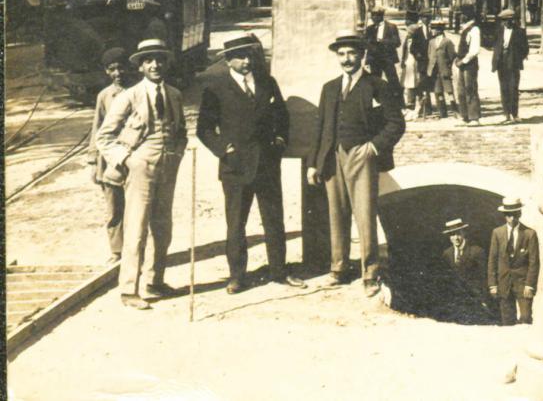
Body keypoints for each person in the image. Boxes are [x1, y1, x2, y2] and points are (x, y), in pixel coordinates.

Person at [196, 36, 305, 294]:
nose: (247, 61)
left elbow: (282, 115)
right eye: (241, 56)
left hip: (267, 163)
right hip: (235, 167)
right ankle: (236, 276)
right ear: (228, 60)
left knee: (274, 219)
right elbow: (204, 129)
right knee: (236, 223)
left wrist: (279, 140)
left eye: (250, 56)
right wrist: (225, 149)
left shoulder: (267, 83)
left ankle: (279, 271)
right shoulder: (216, 88)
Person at [307, 33, 405, 296]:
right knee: (336, 213)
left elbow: (396, 123)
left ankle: (370, 273)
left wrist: (373, 147)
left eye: (351, 53)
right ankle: (338, 268)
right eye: (341, 54)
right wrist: (313, 163)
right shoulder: (329, 88)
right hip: (332, 157)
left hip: (362, 156)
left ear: (361, 56)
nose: (346, 59)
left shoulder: (377, 86)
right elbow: (320, 127)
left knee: (364, 214)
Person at [97, 38, 187, 309]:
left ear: (166, 63)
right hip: (139, 166)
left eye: (159, 59)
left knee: (163, 227)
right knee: (136, 228)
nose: (155, 65)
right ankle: (128, 290)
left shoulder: (174, 94)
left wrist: (178, 154)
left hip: (167, 166)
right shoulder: (129, 96)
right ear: (141, 66)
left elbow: (181, 131)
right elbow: (104, 136)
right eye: (149, 60)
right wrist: (127, 160)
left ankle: (155, 281)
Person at [87, 46, 132, 263]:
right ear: (106, 71)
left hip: (134, 156)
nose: (117, 73)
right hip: (110, 159)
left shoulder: (138, 91)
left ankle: (139, 250)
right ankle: (117, 250)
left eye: (121, 67)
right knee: (114, 207)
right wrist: (93, 161)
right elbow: (97, 128)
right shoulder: (104, 96)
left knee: (139, 206)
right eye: (112, 69)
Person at [487, 197, 540, 325]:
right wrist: (493, 284)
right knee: (507, 320)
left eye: (515, 214)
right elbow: (492, 260)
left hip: (523, 284)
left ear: (520, 214)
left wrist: (530, 285)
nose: (512, 218)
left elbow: (534, 262)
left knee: (526, 318)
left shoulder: (529, 234)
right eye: (508, 215)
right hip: (504, 283)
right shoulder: (497, 233)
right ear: (504, 215)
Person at [492, 7, 530, 124]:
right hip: (501, 62)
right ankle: (506, 114)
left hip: (513, 63)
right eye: (504, 20)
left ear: (512, 20)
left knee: (513, 88)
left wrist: (517, 58)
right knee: (503, 89)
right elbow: (494, 45)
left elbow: (525, 49)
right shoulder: (498, 31)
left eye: (508, 20)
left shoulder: (520, 32)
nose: (506, 23)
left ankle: (515, 114)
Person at [441, 218, 486, 302]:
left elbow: (483, 277)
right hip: (454, 299)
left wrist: (481, 298)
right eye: (452, 235)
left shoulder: (476, 251)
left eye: (458, 234)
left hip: (474, 298)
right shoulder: (447, 253)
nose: (456, 238)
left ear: (464, 233)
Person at [364, 6, 401, 92]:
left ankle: (398, 101)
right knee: (375, 81)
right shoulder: (370, 29)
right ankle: (379, 101)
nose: (373, 17)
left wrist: (383, 41)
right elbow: (365, 43)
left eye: (375, 15)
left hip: (387, 58)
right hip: (375, 59)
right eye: (372, 15)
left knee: (393, 80)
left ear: (381, 16)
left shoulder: (391, 27)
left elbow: (397, 42)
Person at [455, 5, 481, 125]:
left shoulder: (474, 30)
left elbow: (474, 50)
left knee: (470, 89)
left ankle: (474, 117)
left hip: (469, 64)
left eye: (462, 14)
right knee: (461, 90)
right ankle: (464, 115)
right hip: (461, 63)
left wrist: (463, 61)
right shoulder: (465, 29)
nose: (460, 16)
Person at [426, 19, 456, 118]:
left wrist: (447, 65)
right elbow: (429, 54)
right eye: (432, 28)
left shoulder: (447, 41)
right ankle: (442, 112)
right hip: (434, 71)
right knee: (438, 91)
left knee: (449, 90)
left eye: (434, 29)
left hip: (444, 69)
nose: (432, 31)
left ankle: (455, 110)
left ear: (440, 30)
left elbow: (452, 56)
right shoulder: (431, 41)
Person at [400, 14, 428, 119]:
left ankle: (417, 106)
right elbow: (405, 50)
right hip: (408, 63)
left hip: (415, 63)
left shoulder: (419, 42)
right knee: (407, 85)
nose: (408, 34)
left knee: (415, 84)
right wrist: (403, 61)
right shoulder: (407, 39)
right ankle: (409, 106)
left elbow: (419, 53)